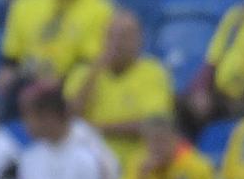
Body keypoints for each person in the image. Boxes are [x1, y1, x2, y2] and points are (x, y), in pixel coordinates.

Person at [65, 9, 174, 169]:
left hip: (134, 165)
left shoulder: (154, 72)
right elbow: (69, 118)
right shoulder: (83, 73)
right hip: (87, 167)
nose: (116, 43)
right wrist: (94, 73)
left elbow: (153, 125)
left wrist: (95, 128)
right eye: (110, 36)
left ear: (139, 40)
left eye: (124, 37)